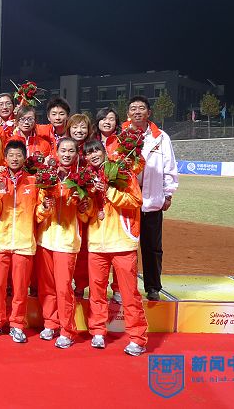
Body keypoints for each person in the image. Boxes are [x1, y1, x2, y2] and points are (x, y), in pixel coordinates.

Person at [83, 139, 148, 356]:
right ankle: (98, 331)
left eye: (96, 151)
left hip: (121, 242)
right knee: (96, 292)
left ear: (104, 152)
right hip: (97, 244)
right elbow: (89, 212)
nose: (93, 155)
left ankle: (137, 338)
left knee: (129, 294)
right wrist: (86, 204)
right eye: (89, 153)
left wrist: (110, 191)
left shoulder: (122, 172)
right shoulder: (86, 178)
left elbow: (135, 200)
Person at [0, 141, 42, 344]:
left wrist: (47, 206)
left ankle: (17, 324)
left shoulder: (33, 182)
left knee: (20, 288)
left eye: (18, 155)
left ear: (24, 158)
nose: (15, 159)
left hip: (24, 243)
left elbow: (39, 213)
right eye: (11, 155)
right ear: (5, 158)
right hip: (0, 241)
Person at [37, 137, 90, 349]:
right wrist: (44, 206)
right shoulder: (47, 177)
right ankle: (50, 323)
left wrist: (82, 206)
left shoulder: (81, 179)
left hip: (67, 242)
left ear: (76, 154)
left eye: (71, 151)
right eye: (63, 151)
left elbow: (86, 216)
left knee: (63, 288)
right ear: (56, 153)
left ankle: (67, 330)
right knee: (47, 287)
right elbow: (37, 212)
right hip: (45, 239)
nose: (66, 154)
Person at [126, 96, 178, 301]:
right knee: (125, 248)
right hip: (126, 200)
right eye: (133, 108)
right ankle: (124, 288)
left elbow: (169, 167)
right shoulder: (121, 135)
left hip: (151, 198)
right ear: (128, 113)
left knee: (152, 247)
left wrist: (168, 193)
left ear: (149, 112)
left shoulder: (161, 137)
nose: (137, 112)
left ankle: (153, 287)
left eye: (141, 108)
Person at [94, 107, 123, 303]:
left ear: (116, 122)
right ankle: (96, 289)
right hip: (94, 200)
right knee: (96, 250)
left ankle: (118, 288)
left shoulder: (122, 144)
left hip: (116, 201)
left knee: (118, 247)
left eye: (111, 119)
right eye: (103, 118)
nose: (107, 122)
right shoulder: (91, 142)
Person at [65, 113, 94, 299]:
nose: (79, 130)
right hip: (65, 207)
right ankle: (64, 284)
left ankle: (81, 285)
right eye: (75, 127)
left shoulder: (91, 150)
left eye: (83, 127)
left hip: (86, 205)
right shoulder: (64, 148)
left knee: (84, 248)